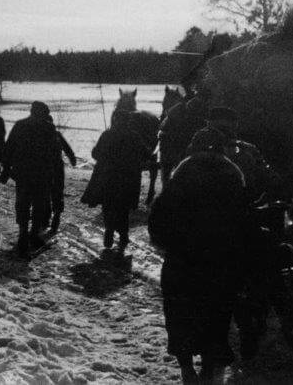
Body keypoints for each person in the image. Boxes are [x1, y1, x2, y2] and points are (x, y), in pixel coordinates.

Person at [149, 151, 250, 383]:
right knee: (216, 316)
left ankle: (186, 368)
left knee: (179, 317)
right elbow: (246, 228)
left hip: (182, 264)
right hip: (220, 265)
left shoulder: (180, 180)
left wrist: (173, 245)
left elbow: (157, 225)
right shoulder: (232, 178)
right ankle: (207, 366)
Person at [86, 109, 152, 254]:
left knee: (108, 205)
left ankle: (109, 230)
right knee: (123, 208)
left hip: (108, 177)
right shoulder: (135, 136)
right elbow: (147, 154)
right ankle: (123, 235)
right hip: (128, 179)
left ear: (115, 119)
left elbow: (95, 153)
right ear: (128, 121)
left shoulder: (107, 134)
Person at [1, 101, 60, 256]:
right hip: (37, 174)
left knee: (27, 204)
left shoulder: (21, 125)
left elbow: (9, 148)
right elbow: (55, 153)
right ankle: (29, 235)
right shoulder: (48, 128)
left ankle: (26, 235)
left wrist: (6, 169)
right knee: (34, 204)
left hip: (28, 173)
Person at [158, 95, 208, 186]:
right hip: (174, 146)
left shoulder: (177, 111)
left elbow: (163, 128)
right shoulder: (194, 117)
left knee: (167, 173)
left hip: (172, 146)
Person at [47, 113, 77, 232]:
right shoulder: (57, 134)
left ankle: (48, 215)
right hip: (57, 167)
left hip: (44, 167)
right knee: (57, 191)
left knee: (45, 191)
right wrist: (72, 158)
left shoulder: (37, 134)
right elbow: (67, 149)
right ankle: (57, 215)